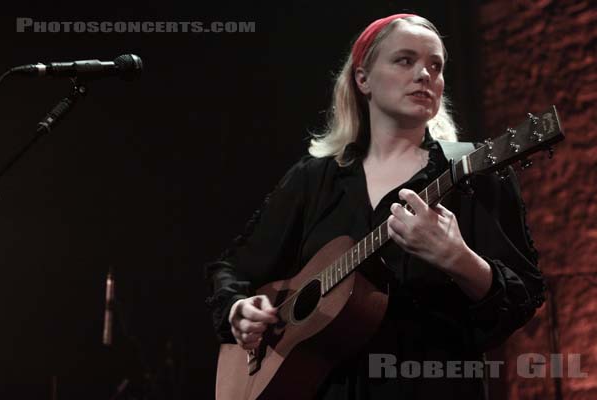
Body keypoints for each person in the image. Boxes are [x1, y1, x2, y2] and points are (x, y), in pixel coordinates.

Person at [205, 14, 545, 399]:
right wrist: (237, 308)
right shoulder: (314, 179)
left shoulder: (474, 173)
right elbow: (233, 267)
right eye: (405, 60)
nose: (424, 75)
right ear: (362, 78)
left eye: (436, 66)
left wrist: (460, 259)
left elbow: (525, 296)